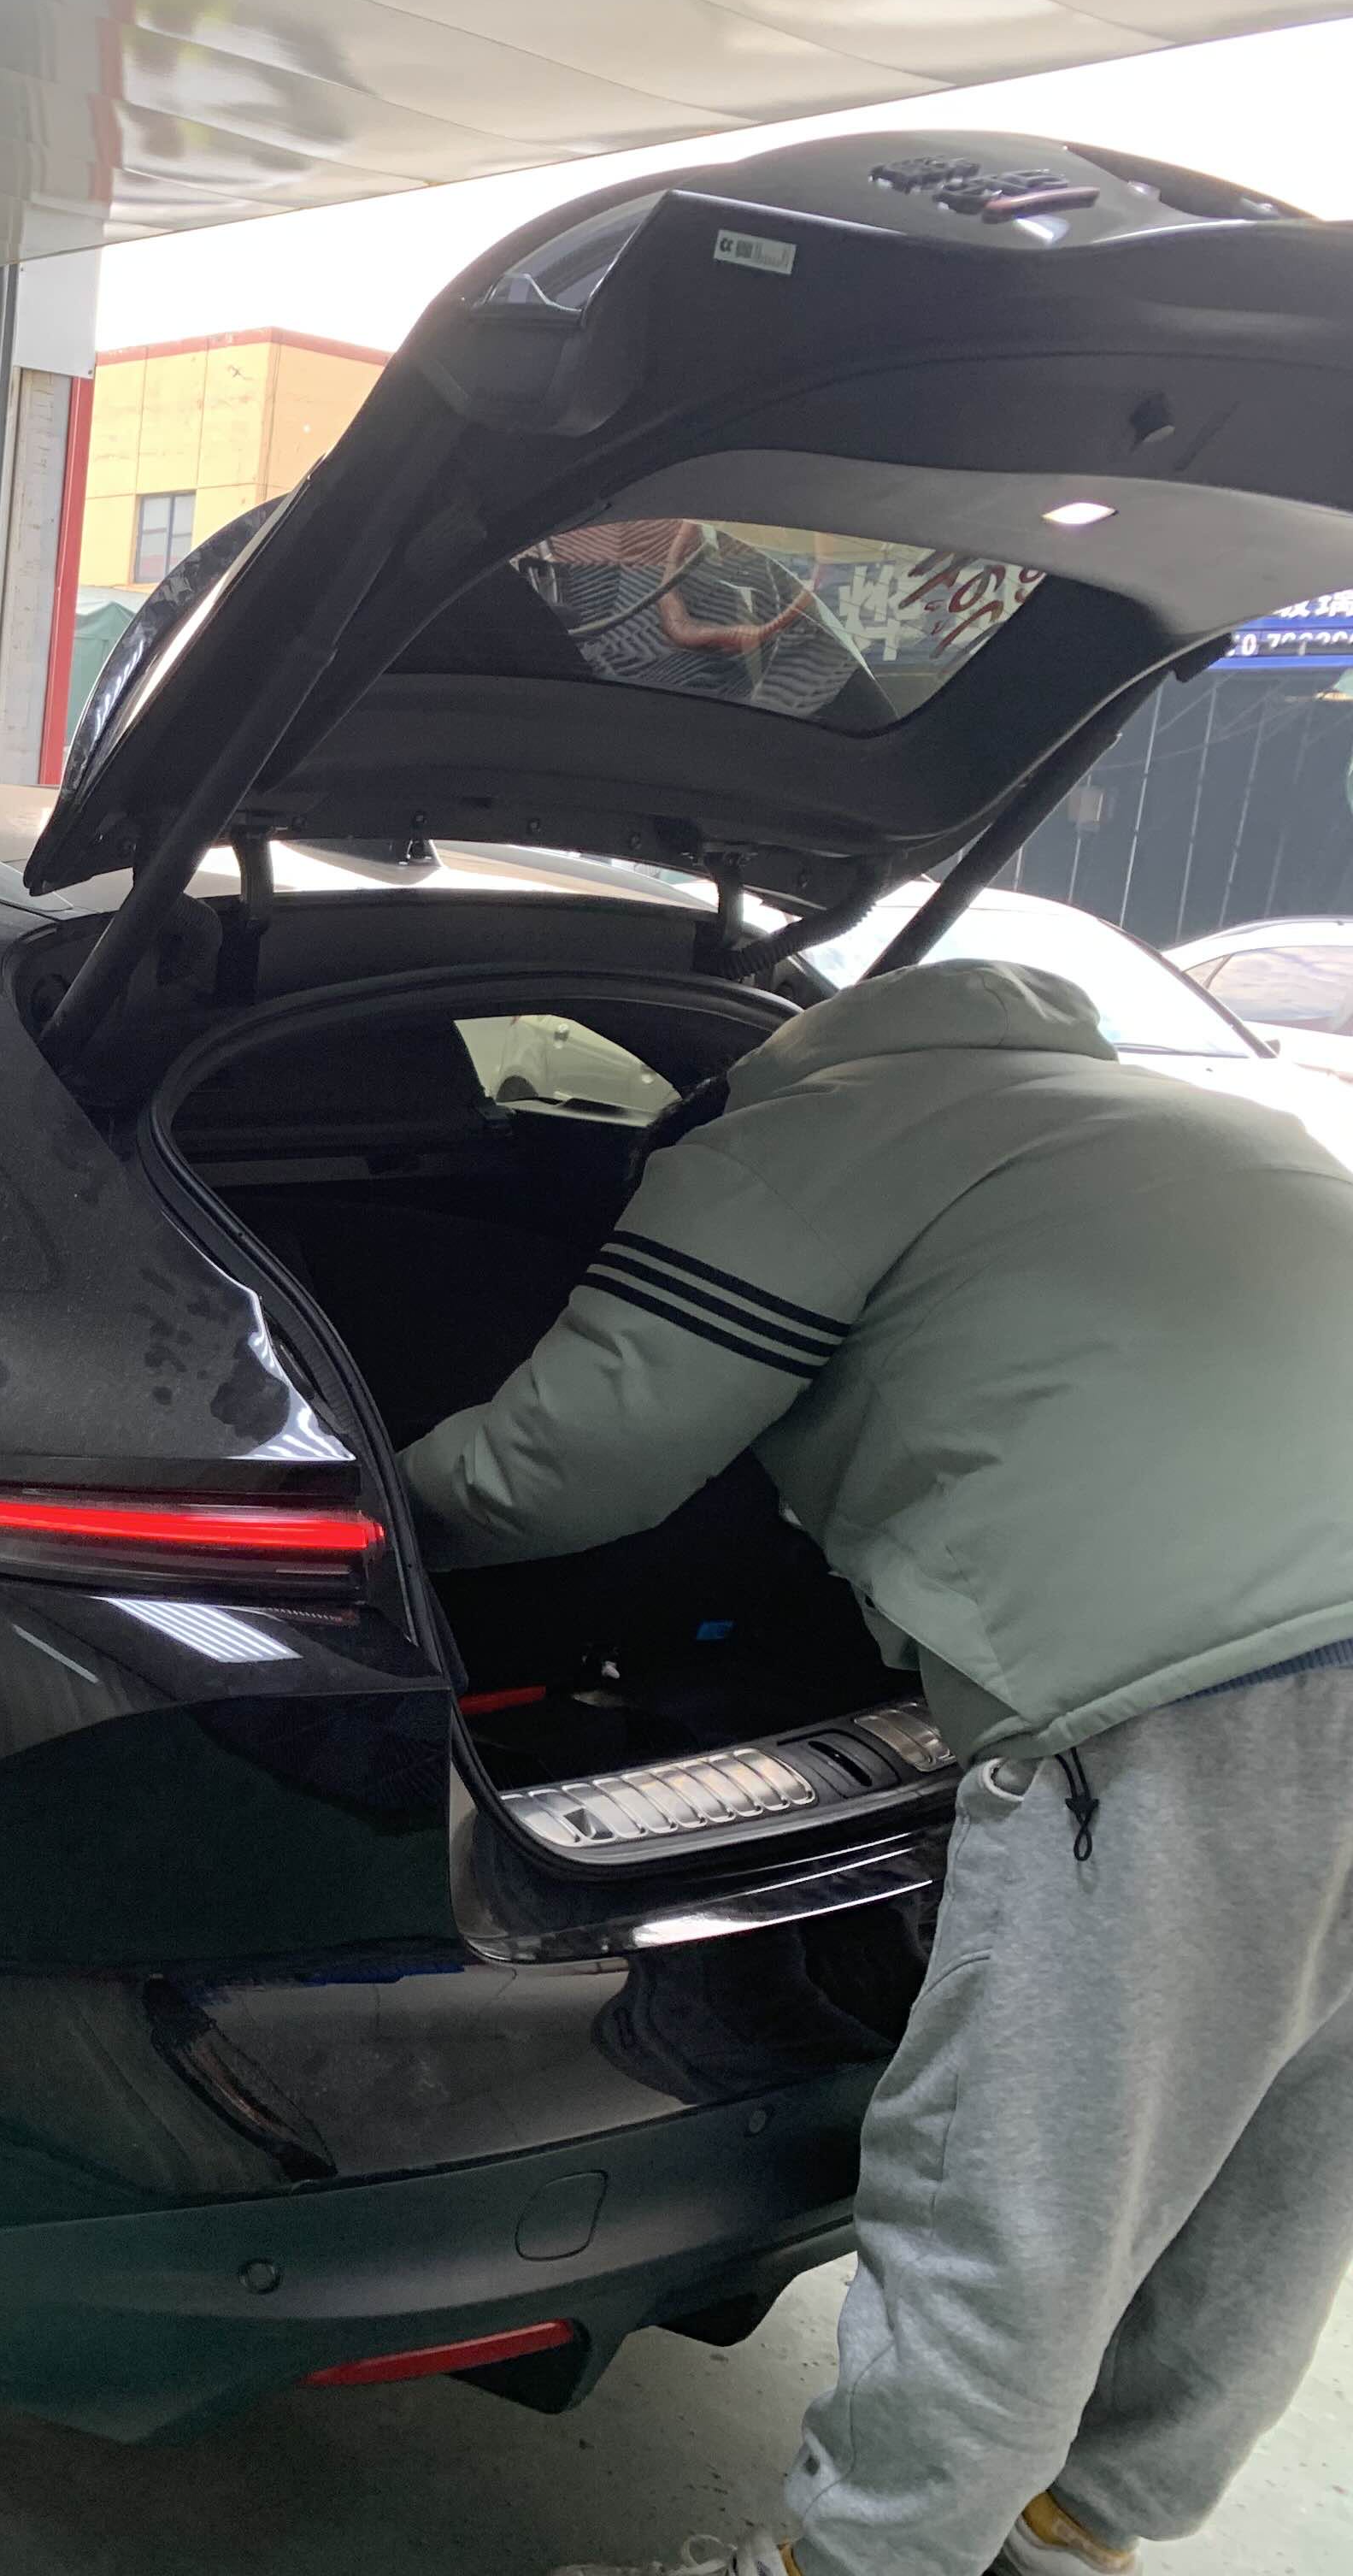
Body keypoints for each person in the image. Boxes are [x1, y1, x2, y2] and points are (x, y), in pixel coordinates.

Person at [397, 958, 1353, 2576]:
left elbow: (565, 1463)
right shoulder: (1176, 1115)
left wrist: (364, 1505)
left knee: (1022, 2184)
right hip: (1291, 1650)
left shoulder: (806, 1135)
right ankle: (1077, 2530)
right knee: (1285, 2151)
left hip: (1203, 1688)